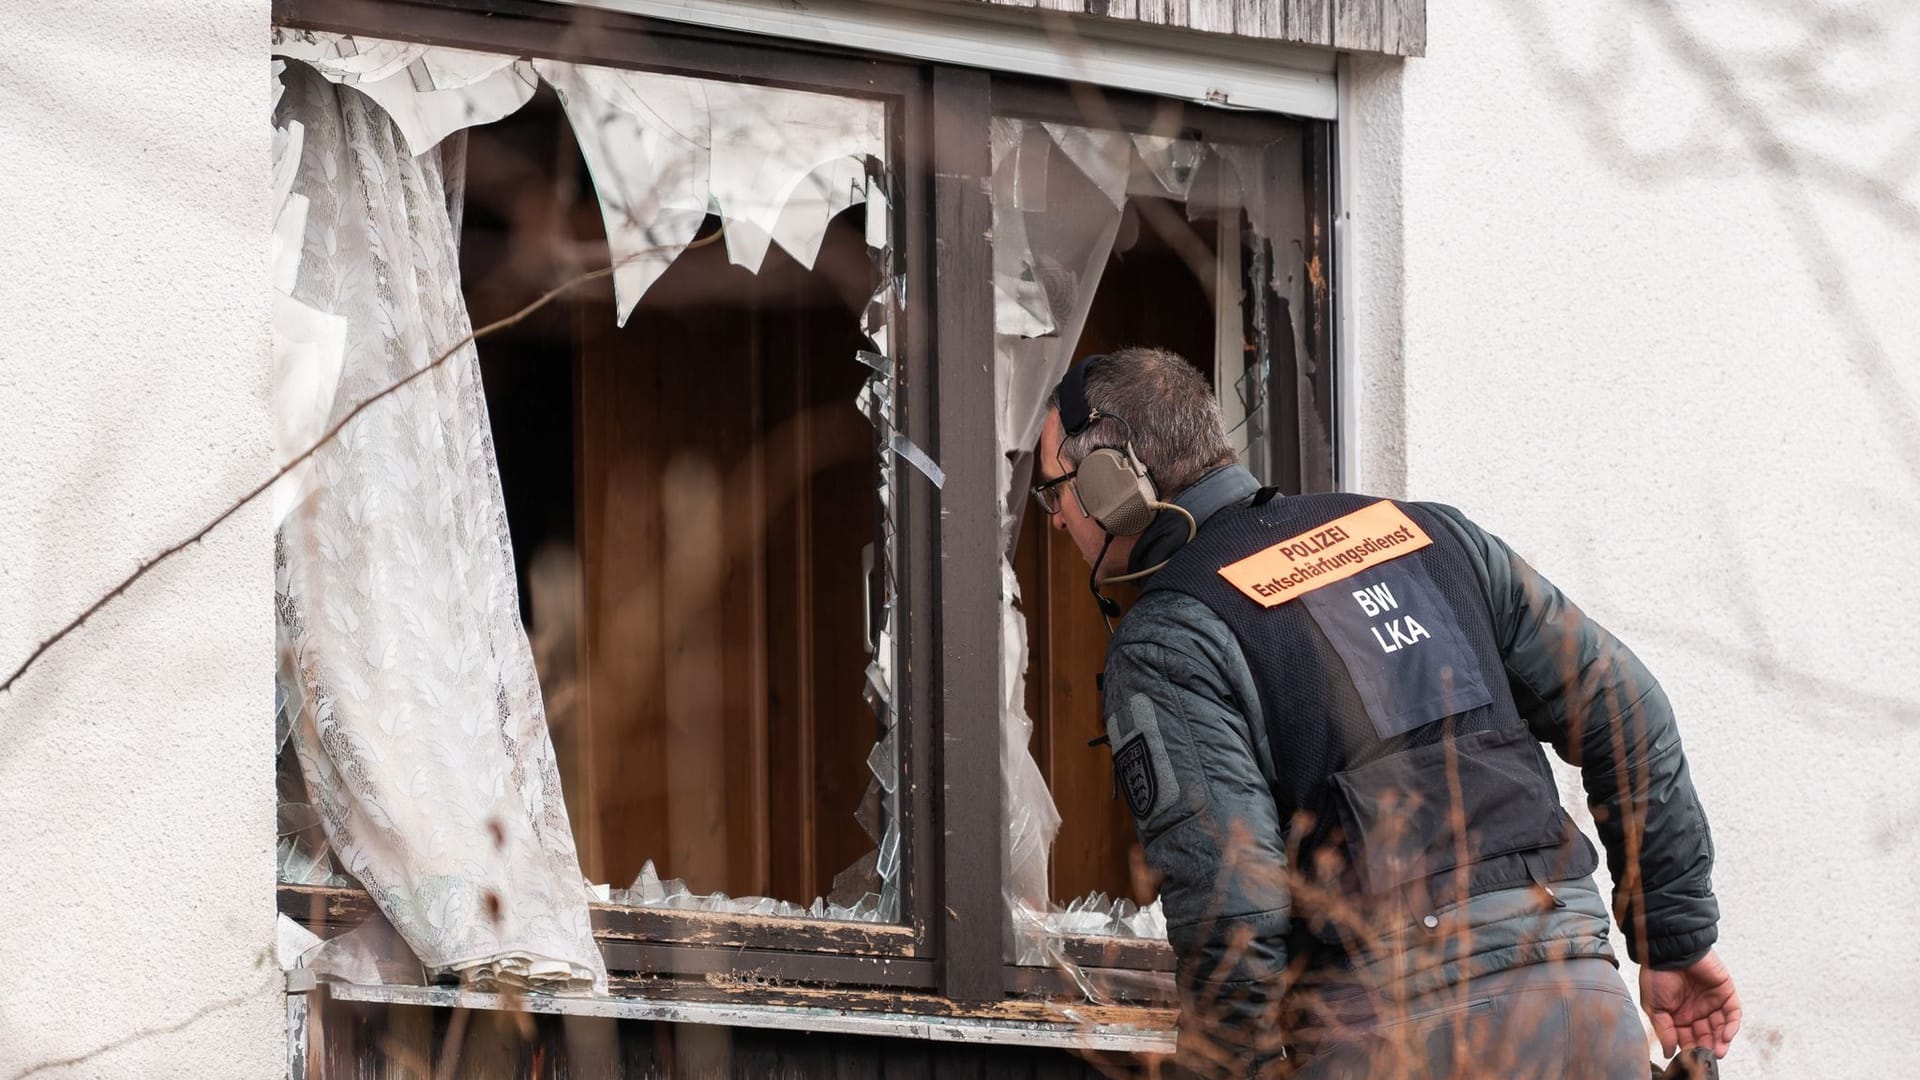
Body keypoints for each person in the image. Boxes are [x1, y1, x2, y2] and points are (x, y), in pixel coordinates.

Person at [1031, 347, 1740, 1078]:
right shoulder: (1435, 535)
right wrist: (1674, 943)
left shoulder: (1173, 633)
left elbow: (1232, 902)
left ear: (1111, 483)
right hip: (1580, 1001)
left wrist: (1228, 1066)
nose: (1054, 521)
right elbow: (1629, 712)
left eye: (1054, 493)